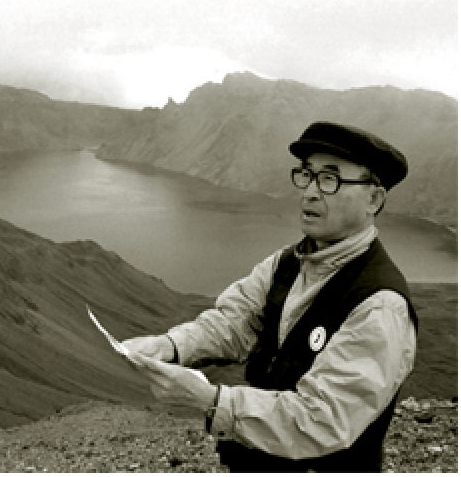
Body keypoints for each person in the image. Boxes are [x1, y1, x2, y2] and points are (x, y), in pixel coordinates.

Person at [123, 121, 418, 473]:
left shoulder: (380, 305)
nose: (309, 192)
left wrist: (213, 402)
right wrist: (171, 346)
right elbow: (235, 320)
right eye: (306, 175)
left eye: (330, 179)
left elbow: (322, 419)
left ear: (374, 199)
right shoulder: (288, 263)